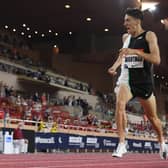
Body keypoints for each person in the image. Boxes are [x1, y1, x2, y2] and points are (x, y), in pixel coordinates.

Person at [108, 8, 168, 159]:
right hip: (127, 79)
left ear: (137, 21)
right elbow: (123, 55)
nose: (124, 23)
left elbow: (156, 59)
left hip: (144, 82)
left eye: (128, 20)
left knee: (153, 118)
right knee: (120, 105)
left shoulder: (149, 35)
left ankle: (162, 141)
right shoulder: (125, 38)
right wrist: (114, 67)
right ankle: (122, 144)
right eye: (124, 20)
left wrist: (136, 52)